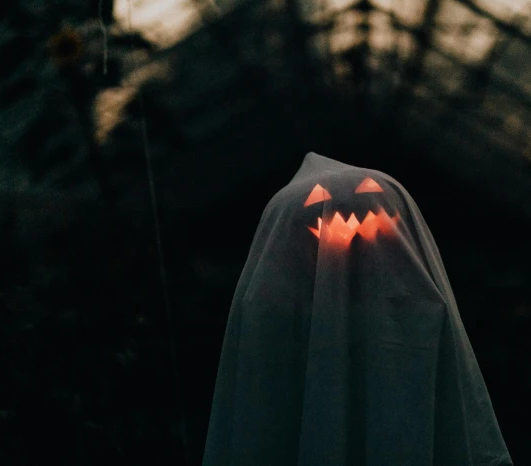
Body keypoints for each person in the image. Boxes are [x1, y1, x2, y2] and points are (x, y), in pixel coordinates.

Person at [202, 152, 512, 466]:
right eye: (319, 201)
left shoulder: (422, 311)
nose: (344, 215)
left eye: (367, 195)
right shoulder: (275, 316)